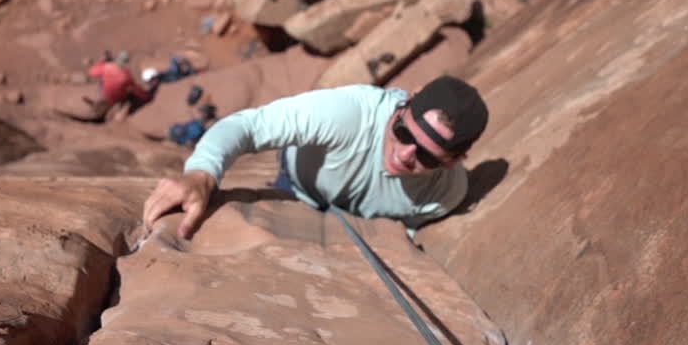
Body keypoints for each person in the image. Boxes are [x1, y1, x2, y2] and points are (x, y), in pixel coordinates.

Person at [142, 75, 488, 240]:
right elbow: (250, 126)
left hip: (358, 231)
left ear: (454, 161)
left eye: (427, 156)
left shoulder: (447, 193)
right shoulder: (347, 112)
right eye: (403, 132)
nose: (406, 154)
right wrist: (202, 173)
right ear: (405, 103)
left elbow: (410, 229)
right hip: (293, 188)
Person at [82, 54, 156, 121]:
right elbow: (136, 89)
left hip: (104, 94)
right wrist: (147, 96)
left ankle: (99, 103)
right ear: (126, 63)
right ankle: (121, 113)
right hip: (118, 98)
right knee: (131, 95)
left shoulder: (106, 67)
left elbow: (92, 72)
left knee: (101, 81)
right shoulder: (127, 75)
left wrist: (101, 62)